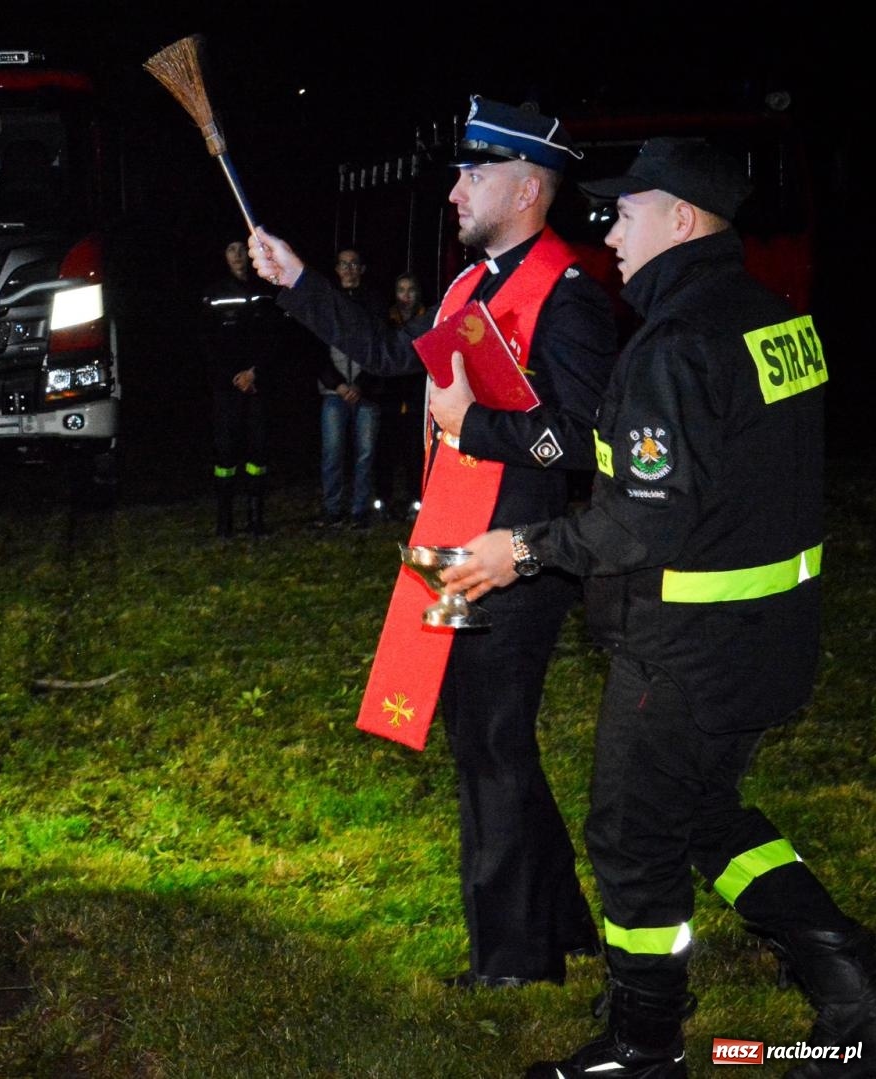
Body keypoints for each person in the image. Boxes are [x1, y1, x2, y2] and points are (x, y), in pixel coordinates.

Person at [443, 138, 873, 1078]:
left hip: (684, 651)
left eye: (626, 215)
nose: (610, 235)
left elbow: (639, 527)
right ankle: (850, 979)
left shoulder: (674, 346)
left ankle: (647, 1039)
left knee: (634, 840)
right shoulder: (771, 316)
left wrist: (519, 549)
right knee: (704, 813)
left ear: (682, 220)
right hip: (771, 637)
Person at [249, 96, 618, 988]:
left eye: (473, 173)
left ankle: (514, 963)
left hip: (519, 559)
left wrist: (477, 426)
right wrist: (300, 283)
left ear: (527, 187)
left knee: (492, 744)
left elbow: (588, 437)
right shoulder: (468, 287)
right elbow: (384, 352)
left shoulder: (566, 297)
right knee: (487, 741)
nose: (454, 189)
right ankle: (561, 922)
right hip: (453, 543)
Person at [200, 239, 280, 537]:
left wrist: (254, 373)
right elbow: (207, 342)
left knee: (258, 451)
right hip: (226, 388)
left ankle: (255, 519)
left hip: (257, 386)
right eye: (230, 249)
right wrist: (233, 375)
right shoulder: (214, 293)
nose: (237, 255)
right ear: (224, 255)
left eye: (240, 249)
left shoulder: (264, 291)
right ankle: (224, 521)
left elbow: (273, 339)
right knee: (226, 454)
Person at [312, 249, 385, 530]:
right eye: (344, 264)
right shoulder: (327, 302)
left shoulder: (374, 302)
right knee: (332, 453)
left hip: (367, 392)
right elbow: (316, 351)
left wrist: (362, 384)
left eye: (354, 264)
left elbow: (381, 347)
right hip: (334, 393)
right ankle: (333, 509)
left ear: (362, 269)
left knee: (365, 454)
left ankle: (359, 511)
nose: (349, 269)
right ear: (337, 269)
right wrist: (338, 384)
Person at [377, 273, 430, 522]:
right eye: (401, 290)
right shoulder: (387, 319)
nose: (406, 296)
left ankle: (415, 501)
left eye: (410, 290)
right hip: (389, 397)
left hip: (418, 398)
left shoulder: (427, 319)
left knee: (415, 454)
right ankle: (382, 502)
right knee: (385, 452)